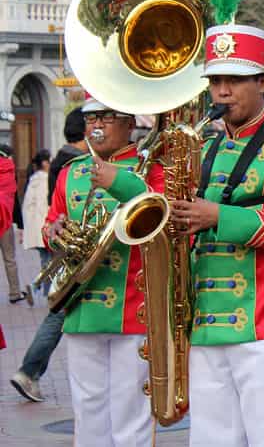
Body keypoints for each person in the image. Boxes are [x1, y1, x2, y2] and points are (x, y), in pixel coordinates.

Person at [168, 19, 264, 447]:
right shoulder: (205, 148)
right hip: (206, 321)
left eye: (235, 80)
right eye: (216, 81)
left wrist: (218, 216)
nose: (222, 92)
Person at [43, 95, 164, 446]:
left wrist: (119, 182)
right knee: (88, 411)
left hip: (133, 307)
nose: (96, 125)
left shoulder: (148, 168)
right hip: (82, 308)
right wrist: (54, 232)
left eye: (107, 117)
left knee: (132, 414)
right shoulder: (71, 171)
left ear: (129, 124)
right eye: (91, 118)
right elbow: (52, 221)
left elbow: (163, 212)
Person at [10, 108, 86, 403]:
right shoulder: (72, 162)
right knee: (58, 311)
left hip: (65, 244)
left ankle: (29, 372)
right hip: (71, 248)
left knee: (58, 308)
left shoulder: (60, 158)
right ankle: (29, 371)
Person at [0, 144, 29, 305]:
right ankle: (14, 293)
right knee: (9, 259)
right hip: (5, 220)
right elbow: (14, 199)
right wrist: (20, 224)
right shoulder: (9, 170)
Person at [21, 149, 51, 287]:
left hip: (37, 228)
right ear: (45, 163)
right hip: (44, 227)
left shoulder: (33, 180)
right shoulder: (43, 181)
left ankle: (40, 289)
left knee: (45, 260)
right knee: (49, 262)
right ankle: (39, 289)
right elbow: (42, 206)